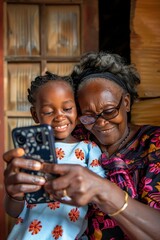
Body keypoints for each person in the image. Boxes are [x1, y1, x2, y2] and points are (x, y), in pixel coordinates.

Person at [3, 52, 160, 240]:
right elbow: (21, 207)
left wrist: (103, 190)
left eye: (109, 111)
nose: (100, 123)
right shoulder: (73, 138)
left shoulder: (154, 144)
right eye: (88, 115)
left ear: (126, 102)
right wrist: (15, 193)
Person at [4, 71, 105, 240]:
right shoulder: (29, 155)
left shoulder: (88, 149)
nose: (59, 116)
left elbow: (100, 195)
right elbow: (13, 211)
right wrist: (14, 195)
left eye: (67, 109)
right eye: (48, 112)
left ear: (77, 110)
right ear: (35, 115)